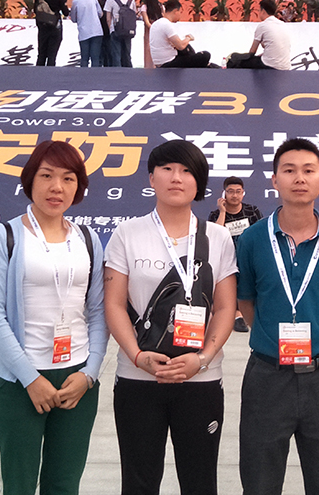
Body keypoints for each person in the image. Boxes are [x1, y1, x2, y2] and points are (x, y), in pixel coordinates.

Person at [103, 139, 238, 495]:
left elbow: (226, 307)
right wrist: (137, 357)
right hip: (138, 377)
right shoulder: (127, 233)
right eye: (167, 169)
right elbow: (114, 304)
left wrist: (202, 359)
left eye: (187, 170)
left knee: (200, 481)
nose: (176, 178)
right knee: (139, 481)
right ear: (151, 178)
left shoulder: (218, 237)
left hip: (200, 378)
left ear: (199, 182)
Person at [0, 140, 107, 495]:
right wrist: (30, 379)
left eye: (68, 178)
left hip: (76, 380)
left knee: (64, 484)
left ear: (78, 186)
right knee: (18, 485)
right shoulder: (5, 236)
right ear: (30, 180)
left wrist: (90, 373)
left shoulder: (87, 238)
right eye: (47, 176)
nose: (57, 187)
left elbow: (98, 310)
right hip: (21, 381)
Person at [236, 137, 319, 495]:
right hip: (267, 376)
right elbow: (246, 302)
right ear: (275, 180)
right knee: (259, 483)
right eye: (289, 170)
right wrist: (270, 335)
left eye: (309, 171)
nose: (299, 178)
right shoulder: (253, 239)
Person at [208, 176, 262, 334]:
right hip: (225, 258)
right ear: (224, 193)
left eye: (238, 192)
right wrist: (222, 211)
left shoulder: (252, 211)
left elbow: (260, 234)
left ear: (243, 193)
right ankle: (236, 314)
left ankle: (240, 313)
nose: (235, 195)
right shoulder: (215, 214)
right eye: (230, 191)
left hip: (248, 256)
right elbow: (215, 236)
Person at [228, 0, 291, 70]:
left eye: (259, 10)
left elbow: (252, 52)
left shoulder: (263, 25)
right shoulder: (283, 24)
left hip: (270, 65)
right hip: (286, 66)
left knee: (238, 61)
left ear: (263, 11)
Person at [149, 0, 212, 68]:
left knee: (187, 48)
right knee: (205, 55)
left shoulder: (156, 23)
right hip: (169, 62)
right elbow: (180, 46)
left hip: (160, 62)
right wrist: (188, 38)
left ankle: (205, 64)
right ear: (176, 11)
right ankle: (206, 65)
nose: (180, 15)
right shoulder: (166, 24)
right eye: (180, 12)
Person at [34, 0, 70, 67]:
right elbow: (66, 12)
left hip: (42, 26)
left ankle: (38, 75)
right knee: (52, 56)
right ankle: (50, 75)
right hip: (55, 27)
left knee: (41, 55)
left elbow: (35, 10)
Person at [104, 0, 138, 67]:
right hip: (128, 29)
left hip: (115, 29)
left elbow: (108, 17)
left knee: (116, 54)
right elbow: (133, 15)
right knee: (127, 54)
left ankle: (117, 72)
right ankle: (128, 72)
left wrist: (110, 28)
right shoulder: (131, 0)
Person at [70, 0, 103, 67]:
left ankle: (83, 75)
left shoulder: (75, 1)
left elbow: (73, 18)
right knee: (95, 58)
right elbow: (100, 13)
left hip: (84, 33)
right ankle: (95, 75)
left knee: (84, 59)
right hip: (97, 31)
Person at [140, 0, 164, 69]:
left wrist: (153, 28)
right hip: (160, 32)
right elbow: (163, 19)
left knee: (149, 51)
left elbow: (147, 22)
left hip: (149, 33)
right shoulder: (160, 6)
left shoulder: (144, 7)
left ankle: (149, 69)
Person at [96, 0, 113, 68]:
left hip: (97, 31)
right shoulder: (112, 2)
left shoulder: (96, 3)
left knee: (99, 56)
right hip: (109, 30)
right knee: (109, 55)